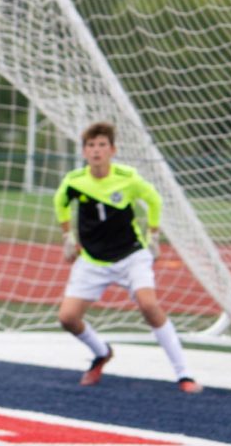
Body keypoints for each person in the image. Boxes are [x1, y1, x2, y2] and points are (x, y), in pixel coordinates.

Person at [53, 121, 202, 394]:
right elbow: (59, 203)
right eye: (91, 146)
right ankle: (101, 353)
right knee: (67, 318)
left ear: (112, 150)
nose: (96, 151)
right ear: (84, 152)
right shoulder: (74, 181)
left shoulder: (128, 177)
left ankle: (184, 374)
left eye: (102, 145)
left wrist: (153, 234)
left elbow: (154, 200)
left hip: (131, 255)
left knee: (148, 305)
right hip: (93, 260)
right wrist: (67, 236)